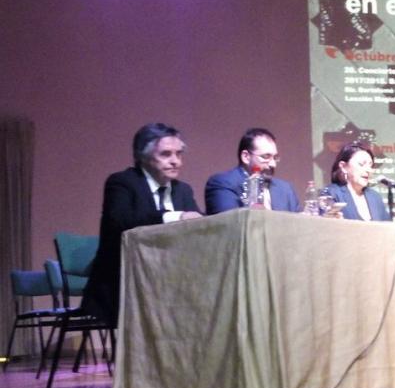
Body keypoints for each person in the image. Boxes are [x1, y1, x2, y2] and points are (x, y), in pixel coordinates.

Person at [83, 123, 203, 326]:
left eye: (179, 154)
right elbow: (121, 222)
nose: (175, 161)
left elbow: (195, 226)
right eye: (166, 154)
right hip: (123, 282)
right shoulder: (122, 182)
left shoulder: (183, 190)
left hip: (172, 283)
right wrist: (174, 217)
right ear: (142, 157)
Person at [205, 128, 299, 215]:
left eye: (275, 158)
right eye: (266, 157)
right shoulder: (223, 184)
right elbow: (230, 225)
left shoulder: (286, 189)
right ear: (246, 157)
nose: (273, 164)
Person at [326, 143, 391, 221]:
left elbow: (387, 227)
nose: (368, 170)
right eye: (361, 164)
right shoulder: (332, 193)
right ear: (343, 167)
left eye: (370, 166)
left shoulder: (375, 197)